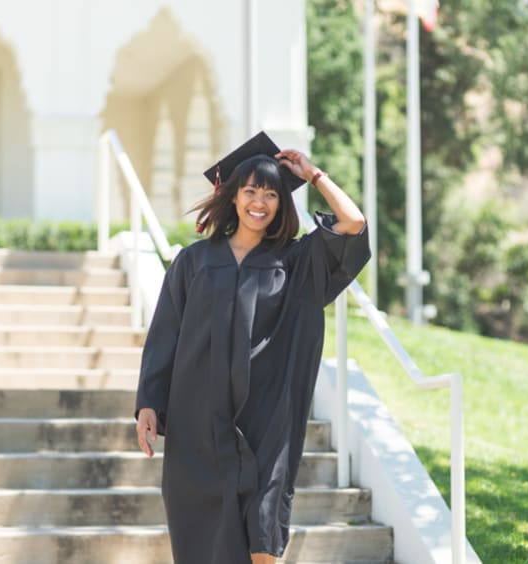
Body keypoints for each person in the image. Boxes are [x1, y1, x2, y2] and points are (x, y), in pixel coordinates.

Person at [135, 131, 370, 564]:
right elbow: (165, 333)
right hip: (198, 420)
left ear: (282, 204)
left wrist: (313, 174)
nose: (259, 202)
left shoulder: (297, 262)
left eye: (271, 193)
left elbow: (353, 223)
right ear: (232, 197)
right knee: (199, 536)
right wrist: (149, 402)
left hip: (267, 420)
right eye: (250, 191)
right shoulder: (195, 261)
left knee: (262, 538)